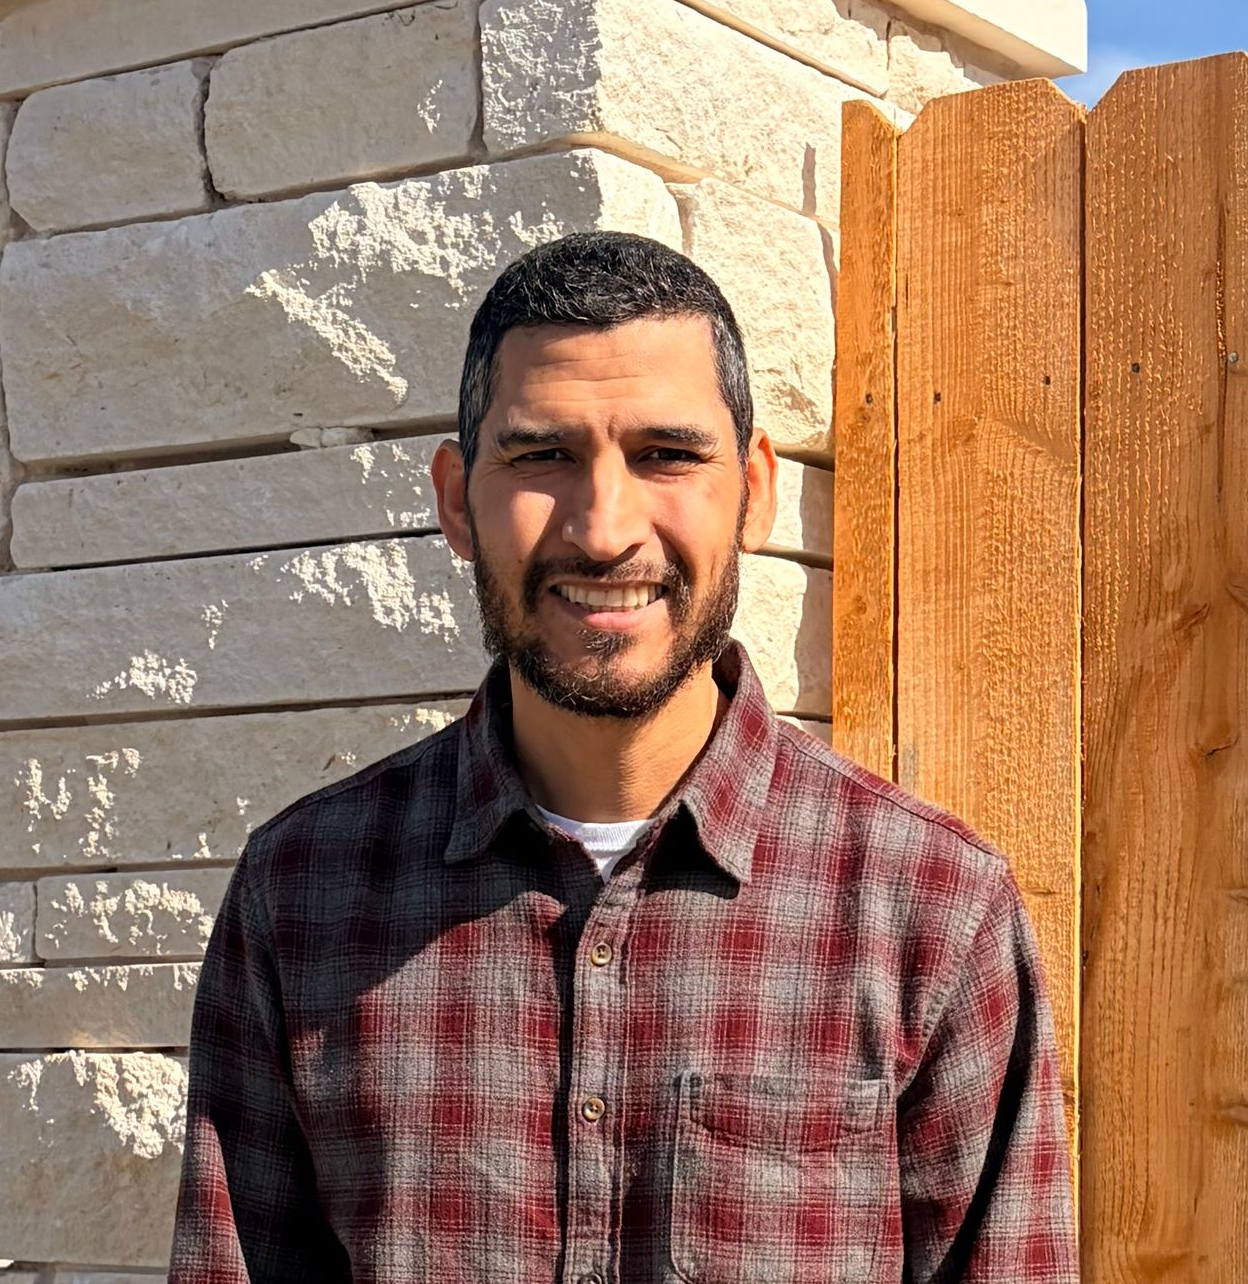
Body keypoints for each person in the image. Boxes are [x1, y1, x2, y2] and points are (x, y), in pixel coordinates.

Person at [168, 231, 1078, 1283]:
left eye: (667, 455)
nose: (604, 531)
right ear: (458, 499)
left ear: (756, 489)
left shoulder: (933, 911)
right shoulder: (301, 894)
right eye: (544, 455)